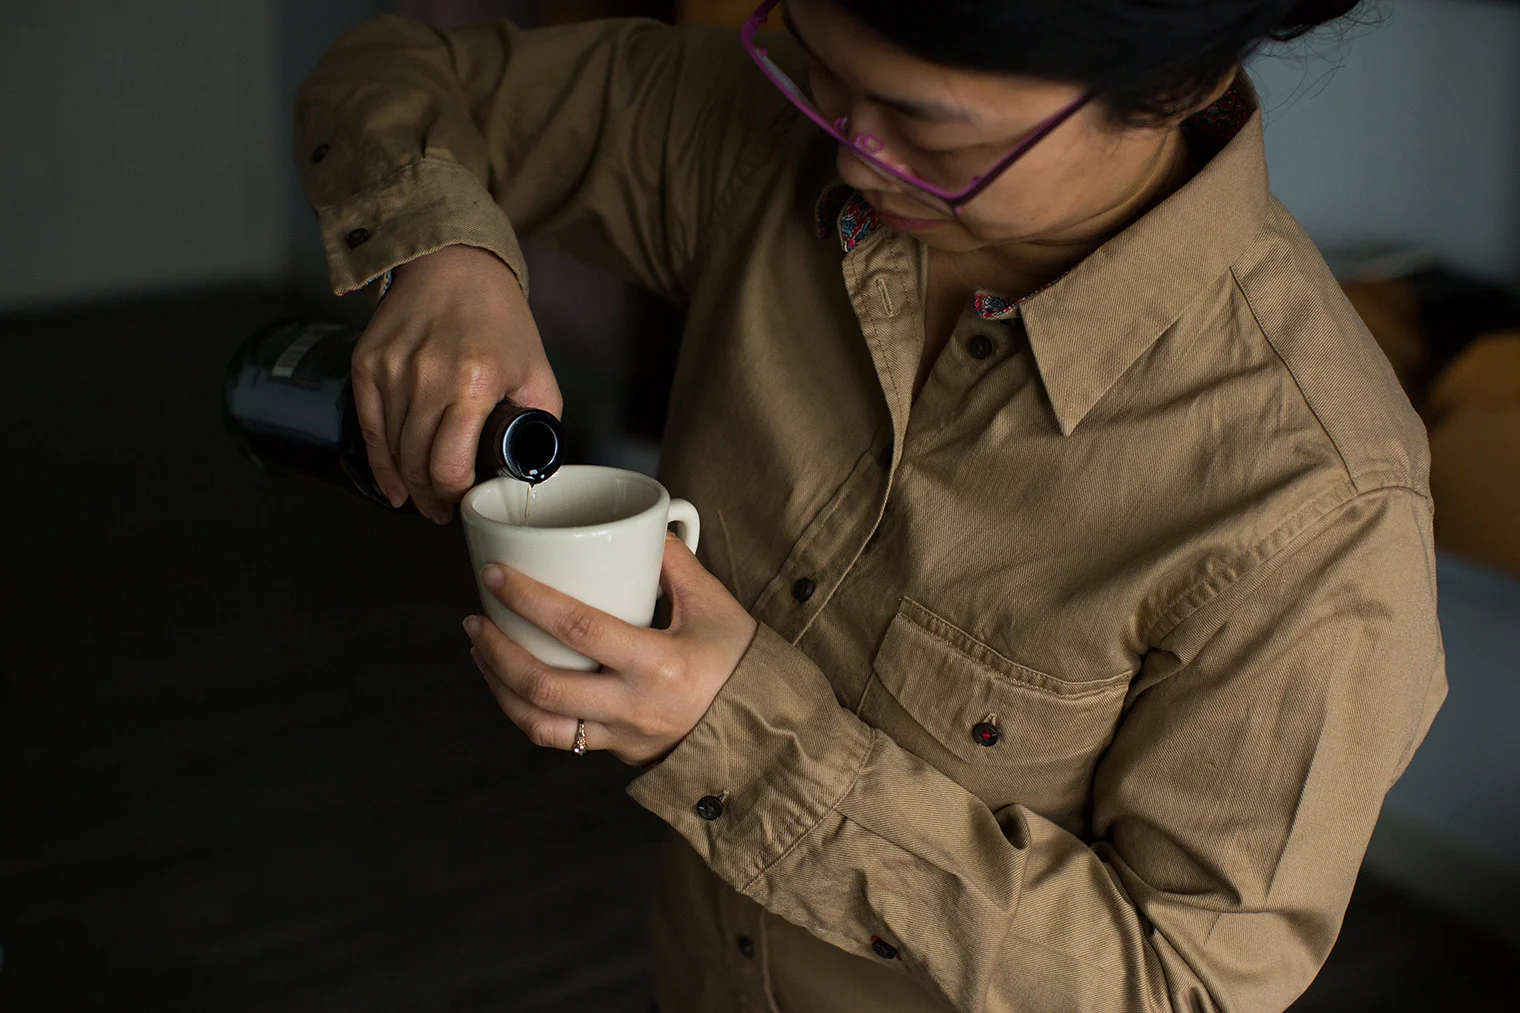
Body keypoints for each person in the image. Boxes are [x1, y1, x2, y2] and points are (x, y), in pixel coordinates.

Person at [294, 1, 1446, 1009]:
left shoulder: (1312, 500)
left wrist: (740, 737)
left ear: (1172, 89)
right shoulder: (772, 139)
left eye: (929, 126)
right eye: (818, 60)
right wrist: (450, 260)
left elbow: (1181, 984)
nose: (850, 153)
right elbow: (396, 69)